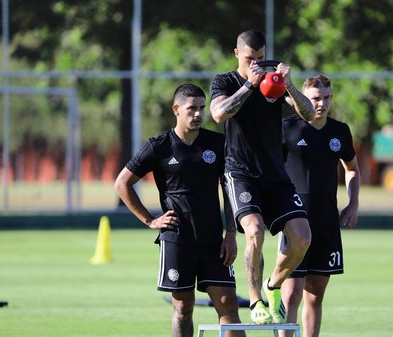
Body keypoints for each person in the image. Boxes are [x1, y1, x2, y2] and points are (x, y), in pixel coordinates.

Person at [114, 83, 245, 337]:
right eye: (191, 108)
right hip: (177, 240)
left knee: (229, 304)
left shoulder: (217, 143)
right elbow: (122, 184)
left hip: (213, 241)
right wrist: (150, 220)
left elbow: (229, 191)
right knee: (184, 308)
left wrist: (231, 234)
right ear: (176, 109)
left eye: (201, 108)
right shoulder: (159, 146)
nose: (198, 114)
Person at [209, 29, 315, 324]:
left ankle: (273, 285)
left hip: (275, 175)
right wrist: (248, 86)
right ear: (236, 55)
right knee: (254, 231)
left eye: (260, 58)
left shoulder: (274, 84)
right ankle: (255, 299)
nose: (256, 63)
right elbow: (219, 114)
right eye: (249, 58)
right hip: (240, 171)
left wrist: (290, 85)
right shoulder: (225, 81)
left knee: (302, 237)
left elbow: (309, 115)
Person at [279, 75, 360, 337]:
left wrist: (353, 203)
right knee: (291, 294)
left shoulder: (339, 131)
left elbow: (352, 169)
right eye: (315, 98)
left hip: (326, 221)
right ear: (303, 98)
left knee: (315, 294)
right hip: (295, 221)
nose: (321, 104)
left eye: (326, 98)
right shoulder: (286, 128)